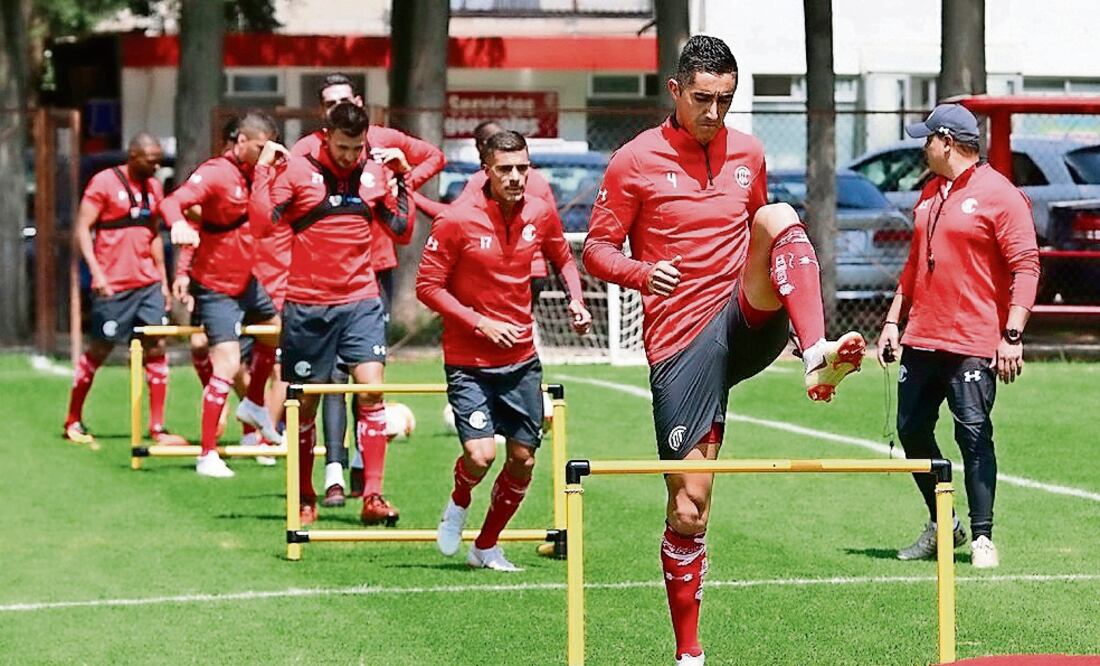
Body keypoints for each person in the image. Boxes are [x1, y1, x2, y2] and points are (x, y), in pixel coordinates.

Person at [582, 36, 865, 666]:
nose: (715, 112)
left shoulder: (750, 152)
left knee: (779, 215)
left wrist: (793, 323)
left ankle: (814, 349)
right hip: (682, 342)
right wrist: (638, 272)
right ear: (676, 91)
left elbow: (767, 237)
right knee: (690, 506)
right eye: (704, 99)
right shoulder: (632, 161)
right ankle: (690, 655)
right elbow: (596, 250)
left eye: (727, 100)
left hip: (742, 317)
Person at [417, 130, 591, 572]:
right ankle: (458, 503)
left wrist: (575, 299)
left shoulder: (540, 211)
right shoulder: (457, 219)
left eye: (522, 169)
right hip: (468, 362)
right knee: (480, 456)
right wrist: (479, 321)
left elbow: (563, 257)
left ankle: (487, 545)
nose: (515, 177)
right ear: (486, 170)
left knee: (523, 458)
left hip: (520, 361)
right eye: (505, 169)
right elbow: (427, 287)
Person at [877, 103, 1040, 570]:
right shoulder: (928, 192)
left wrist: (1012, 334)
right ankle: (942, 523)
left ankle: (983, 536)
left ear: (947, 142)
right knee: (910, 429)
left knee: (973, 436)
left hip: (973, 341)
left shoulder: (1001, 196)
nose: (922, 147)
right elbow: (913, 265)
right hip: (922, 337)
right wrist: (893, 320)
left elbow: (1026, 267)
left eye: (927, 139)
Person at [250, 102, 413, 526]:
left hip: (360, 300)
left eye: (356, 147)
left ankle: (373, 495)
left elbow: (402, 230)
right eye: (342, 146)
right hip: (307, 306)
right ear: (325, 136)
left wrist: (403, 179)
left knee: (371, 391)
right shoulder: (299, 172)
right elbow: (262, 223)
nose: (349, 155)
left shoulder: (374, 173)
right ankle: (305, 495)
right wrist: (263, 172)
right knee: (304, 406)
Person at [291, 73, 446, 506]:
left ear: (358, 102)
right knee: (323, 388)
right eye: (327, 103)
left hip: (370, 274)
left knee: (368, 384)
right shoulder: (307, 151)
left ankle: (365, 482)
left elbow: (433, 157)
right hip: (315, 286)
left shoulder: (382, 142)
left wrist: (404, 182)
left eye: (341, 99)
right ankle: (328, 477)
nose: (334, 107)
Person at [161, 111, 283, 478]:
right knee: (225, 363)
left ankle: (254, 406)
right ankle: (208, 455)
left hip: (247, 281)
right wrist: (178, 224)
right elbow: (172, 202)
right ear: (241, 141)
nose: (266, 154)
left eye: (269, 148)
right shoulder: (216, 172)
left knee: (278, 330)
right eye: (260, 147)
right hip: (215, 287)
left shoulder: (262, 173)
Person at [64, 133, 187, 449]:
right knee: (101, 349)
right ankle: (72, 419)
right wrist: (97, 272)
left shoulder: (154, 188)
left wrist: (162, 279)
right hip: (114, 285)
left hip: (146, 283)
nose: (157, 165)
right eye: (151, 159)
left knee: (156, 346)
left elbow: (154, 235)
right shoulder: (104, 182)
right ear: (133, 156)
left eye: (159, 158)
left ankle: (158, 427)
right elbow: (82, 227)